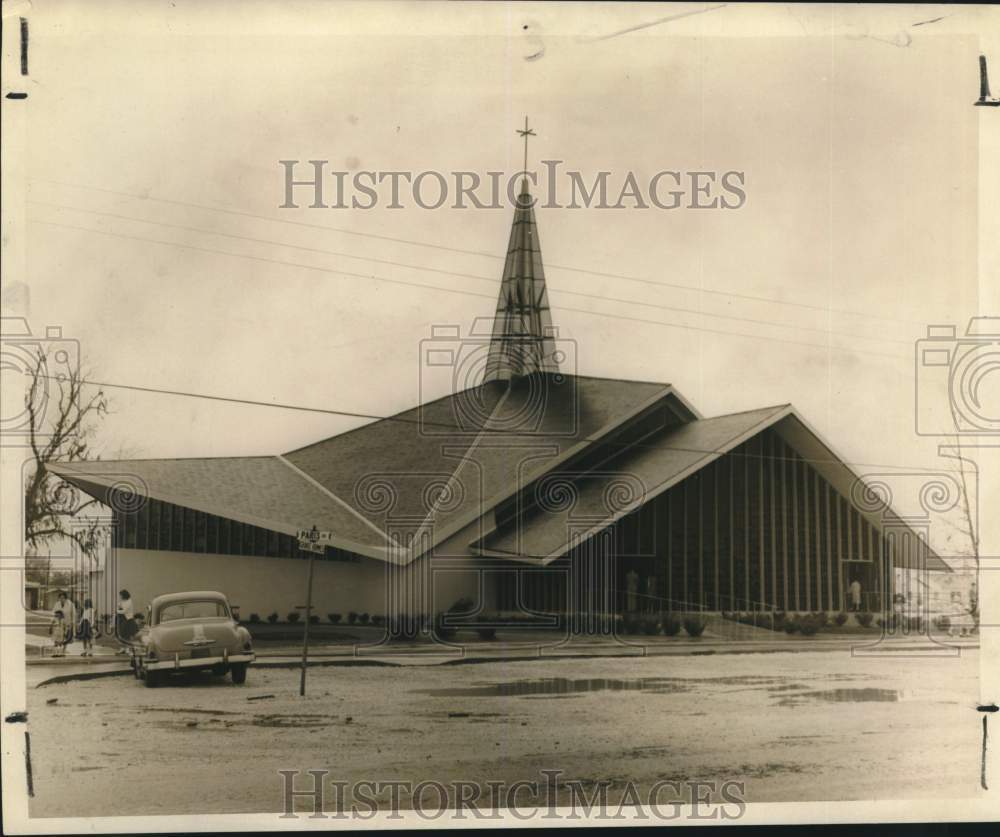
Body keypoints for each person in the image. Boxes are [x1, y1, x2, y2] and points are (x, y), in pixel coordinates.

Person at [115, 589, 137, 653]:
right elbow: (119, 606)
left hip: (127, 620)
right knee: (122, 634)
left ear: (124, 595)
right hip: (122, 620)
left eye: (120, 595)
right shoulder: (124, 601)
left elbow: (124, 611)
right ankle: (123, 648)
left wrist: (117, 611)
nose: (120, 597)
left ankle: (128, 648)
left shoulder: (129, 602)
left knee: (127, 635)